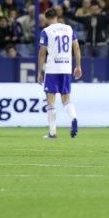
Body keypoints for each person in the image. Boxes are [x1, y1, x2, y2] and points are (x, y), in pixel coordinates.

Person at [37, 8, 82, 139]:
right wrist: (78, 66)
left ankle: (52, 133)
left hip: (52, 69)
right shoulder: (69, 29)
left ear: (46, 19)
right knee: (66, 100)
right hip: (66, 68)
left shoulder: (46, 31)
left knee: (50, 102)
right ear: (57, 17)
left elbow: (42, 53)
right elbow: (77, 48)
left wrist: (40, 71)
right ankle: (73, 118)